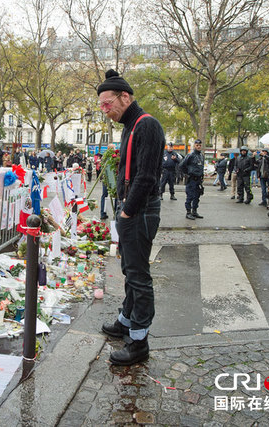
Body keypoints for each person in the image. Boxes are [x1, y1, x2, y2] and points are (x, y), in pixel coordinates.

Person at [97, 69, 164, 366]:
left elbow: (147, 176)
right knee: (130, 269)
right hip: (133, 209)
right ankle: (126, 321)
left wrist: (127, 211)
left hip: (140, 209)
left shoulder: (146, 125)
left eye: (107, 104)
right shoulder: (130, 125)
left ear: (125, 97)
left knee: (138, 276)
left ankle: (138, 342)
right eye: (101, 105)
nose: (104, 110)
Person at [179, 139, 205, 220]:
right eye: (197, 145)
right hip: (192, 179)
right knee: (190, 196)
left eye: (200, 145)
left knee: (197, 196)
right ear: (194, 145)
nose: (199, 146)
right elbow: (181, 165)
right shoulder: (190, 155)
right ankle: (188, 212)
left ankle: (194, 211)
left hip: (198, 179)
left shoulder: (201, 155)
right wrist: (187, 173)